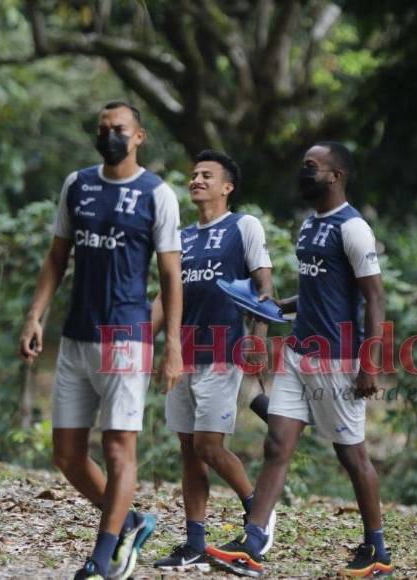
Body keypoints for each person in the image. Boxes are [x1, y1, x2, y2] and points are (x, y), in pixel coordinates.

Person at [206, 142, 392, 577]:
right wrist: (273, 307)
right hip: (297, 354)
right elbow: (313, 295)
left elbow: (375, 297)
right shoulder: (310, 227)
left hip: (338, 359)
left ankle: (377, 549)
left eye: (312, 167)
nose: (303, 173)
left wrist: (370, 363)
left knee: (352, 456)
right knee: (277, 444)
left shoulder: (353, 228)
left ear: (337, 175)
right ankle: (253, 543)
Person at [19, 101, 183, 580]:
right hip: (76, 334)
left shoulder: (158, 194)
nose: (110, 135)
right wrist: (35, 316)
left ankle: (104, 556)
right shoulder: (78, 185)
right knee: (67, 454)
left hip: (126, 335)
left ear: (139, 137)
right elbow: (56, 259)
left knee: (118, 452)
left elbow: (171, 277)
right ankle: (131, 523)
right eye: (103, 129)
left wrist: (172, 344)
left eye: (120, 129)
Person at [151, 150, 276, 572]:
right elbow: (165, 295)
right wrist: (139, 339)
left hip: (223, 354)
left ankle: (259, 512)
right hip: (182, 357)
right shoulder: (180, 237)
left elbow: (264, 287)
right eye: (193, 175)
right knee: (189, 451)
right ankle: (195, 544)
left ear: (227, 187)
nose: (196, 180)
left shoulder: (244, 226)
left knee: (209, 445)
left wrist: (258, 341)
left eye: (207, 175)